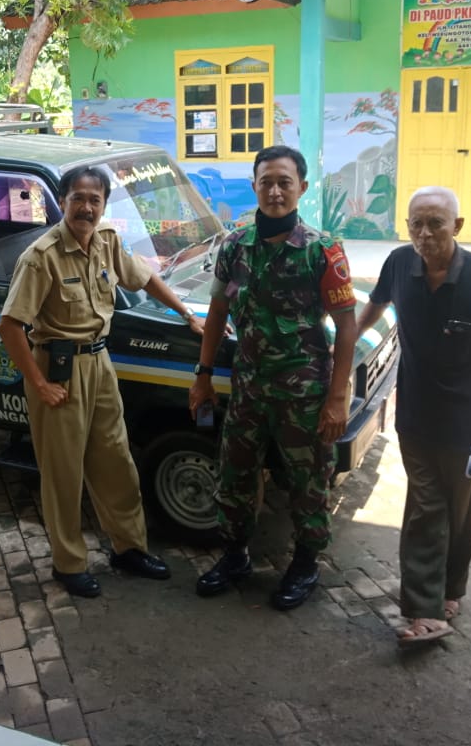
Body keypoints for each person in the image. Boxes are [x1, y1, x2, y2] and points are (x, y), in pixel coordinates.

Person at [0, 166, 203, 597]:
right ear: (62, 201)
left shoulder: (107, 240)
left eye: (95, 200)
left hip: (100, 364)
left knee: (116, 461)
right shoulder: (41, 256)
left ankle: (129, 548)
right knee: (63, 472)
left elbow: (143, 277)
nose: (86, 208)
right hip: (58, 370)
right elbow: (11, 326)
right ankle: (68, 563)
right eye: (78, 198)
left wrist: (185, 313)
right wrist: (39, 384)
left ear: (104, 204)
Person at [189, 145, 358, 611]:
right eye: (267, 182)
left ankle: (304, 564)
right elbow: (217, 312)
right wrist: (203, 376)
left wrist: (337, 398)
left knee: (308, 481)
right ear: (254, 187)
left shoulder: (322, 250)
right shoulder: (235, 245)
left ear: (302, 187)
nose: (276, 191)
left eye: (285, 182)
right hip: (248, 390)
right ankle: (235, 556)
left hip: (304, 395)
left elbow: (346, 326)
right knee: (235, 475)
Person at [354, 186, 471, 646]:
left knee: (461, 510)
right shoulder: (398, 264)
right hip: (416, 413)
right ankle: (424, 609)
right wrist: (346, 342)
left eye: (435, 224)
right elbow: (375, 304)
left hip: (468, 418)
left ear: (457, 226)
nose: (425, 234)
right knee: (427, 506)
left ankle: (451, 589)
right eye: (416, 225)